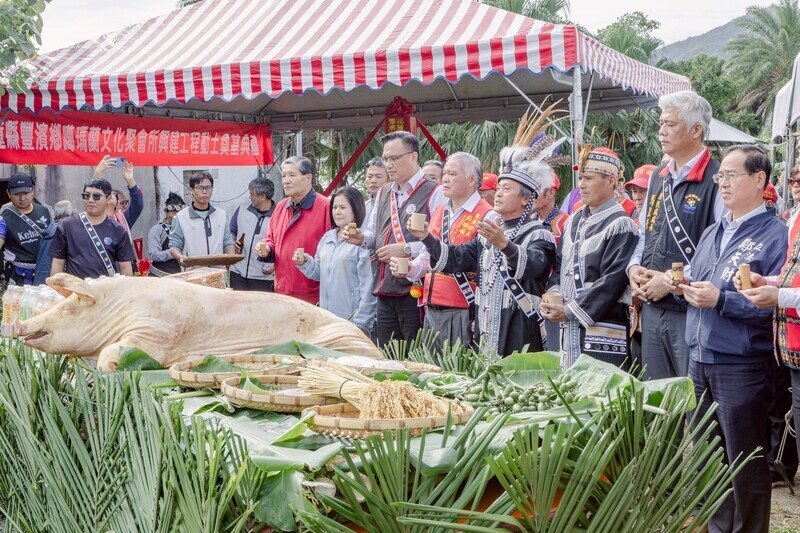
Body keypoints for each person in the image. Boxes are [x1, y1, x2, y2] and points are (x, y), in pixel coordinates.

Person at [666, 145, 785, 533]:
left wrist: (721, 301)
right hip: (699, 356)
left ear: (759, 179)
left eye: (732, 175)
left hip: (742, 362)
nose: (723, 182)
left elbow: (773, 306)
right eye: (721, 176)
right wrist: (676, 286)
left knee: (746, 460)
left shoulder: (775, 234)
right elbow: (702, 283)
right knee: (708, 457)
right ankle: (719, 527)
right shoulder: (714, 230)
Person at [405, 162, 556, 356]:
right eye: (499, 187)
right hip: (487, 322)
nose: (499, 193)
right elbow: (455, 258)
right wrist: (426, 237)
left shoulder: (538, 234)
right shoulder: (486, 235)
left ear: (526, 199)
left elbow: (535, 266)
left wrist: (504, 245)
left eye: (507, 189)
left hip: (519, 323)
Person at [628, 90, 722, 380]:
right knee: (657, 398)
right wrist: (633, 268)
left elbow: (720, 250)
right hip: (652, 306)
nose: (661, 131)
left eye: (670, 124)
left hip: (690, 311)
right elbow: (644, 231)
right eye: (661, 123)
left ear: (697, 130)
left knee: (691, 399)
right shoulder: (659, 175)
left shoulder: (717, 179)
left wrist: (669, 283)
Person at [345, 131, 446, 347]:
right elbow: (373, 234)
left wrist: (406, 249)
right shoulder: (384, 192)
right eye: (385, 159)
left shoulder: (435, 192)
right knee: (388, 354)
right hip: (384, 288)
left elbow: (442, 244)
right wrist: (361, 238)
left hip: (415, 290)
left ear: (413, 157)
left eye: (394, 158)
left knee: (415, 354)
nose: (388, 165)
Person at [541, 148, 639, 370]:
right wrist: (554, 295)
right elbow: (557, 267)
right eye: (580, 179)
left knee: (601, 397)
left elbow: (613, 280)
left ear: (610, 181)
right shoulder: (572, 221)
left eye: (588, 179)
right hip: (566, 327)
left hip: (601, 327)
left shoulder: (621, 224)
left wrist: (569, 310)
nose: (581, 185)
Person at [399, 152, 497, 351]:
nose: (445, 179)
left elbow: (489, 269)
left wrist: (480, 315)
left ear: (472, 180)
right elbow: (429, 255)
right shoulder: (440, 211)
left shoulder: (487, 215)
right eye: (444, 173)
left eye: (452, 174)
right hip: (433, 307)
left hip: (464, 308)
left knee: (460, 374)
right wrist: (412, 268)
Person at [295, 186, 376, 333]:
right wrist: (306, 262)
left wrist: (362, 323)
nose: (337, 212)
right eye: (334, 207)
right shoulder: (328, 237)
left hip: (352, 320)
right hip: (327, 318)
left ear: (356, 208)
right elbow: (319, 273)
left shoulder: (363, 241)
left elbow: (368, 285)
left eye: (343, 207)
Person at [256, 156, 330, 304]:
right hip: (282, 289)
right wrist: (266, 249)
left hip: (313, 293)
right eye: (283, 176)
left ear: (308, 178)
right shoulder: (281, 206)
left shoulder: (325, 206)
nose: (286, 180)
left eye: (292, 175)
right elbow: (270, 238)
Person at [50, 179, 135, 278]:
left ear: (108, 199)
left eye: (96, 196)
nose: (90, 200)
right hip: (76, 290)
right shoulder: (67, 226)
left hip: (106, 290)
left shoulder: (117, 229)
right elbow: (58, 263)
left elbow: (125, 267)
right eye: (86, 196)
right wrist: (56, 290)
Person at [169, 171, 235, 267]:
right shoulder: (181, 217)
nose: (205, 192)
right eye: (200, 188)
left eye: (208, 188)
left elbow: (227, 241)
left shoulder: (221, 215)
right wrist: (181, 258)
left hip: (217, 273)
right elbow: (174, 245)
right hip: (193, 272)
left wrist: (231, 258)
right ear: (191, 190)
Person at [0, 172, 53, 285]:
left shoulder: (45, 211)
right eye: (17, 194)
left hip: (44, 271)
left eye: (26, 193)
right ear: (8, 194)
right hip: (18, 275)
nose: (22, 198)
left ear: (32, 190)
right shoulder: (4, 218)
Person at [229, 178, 276, 291]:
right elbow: (231, 232)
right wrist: (232, 243)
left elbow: (283, 245)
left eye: (252, 194)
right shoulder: (242, 209)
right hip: (237, 273)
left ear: (263, 196)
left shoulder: (278, 215)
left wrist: (276, 265)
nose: (250, 197)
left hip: (263, 277)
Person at [94, 155, 144, 230]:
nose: (110, 195)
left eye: (113, 194)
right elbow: (92, 195)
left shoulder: (123, 219)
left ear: (117, 206)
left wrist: (130, 180)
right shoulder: (92, 216)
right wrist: (97, 173)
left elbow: (138, 205)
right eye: (108, 193)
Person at [34, 200, 75, 285]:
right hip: (52, 283)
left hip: (41, 280)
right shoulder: (62, 232)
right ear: (69, 214)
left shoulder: (49, 230)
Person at [147, 192, 185, 276]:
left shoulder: (186, 229)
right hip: (159, 276)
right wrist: (175, 252)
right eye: (174, 213)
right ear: (165, 211)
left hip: (181, 276)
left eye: (180, 214)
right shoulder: (157, 230)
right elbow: (154, 254)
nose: (177, 217)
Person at [533, 172, 568, 242]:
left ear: (551, 193)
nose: (530, 195)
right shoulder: (527, 221)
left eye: (535, 190)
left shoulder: (567, 223)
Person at [364, 157, 390, 224]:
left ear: (389, 180)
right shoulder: (361, 208)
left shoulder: (394, 205)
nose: (373, 181)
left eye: (378, 177)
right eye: (369, 177)